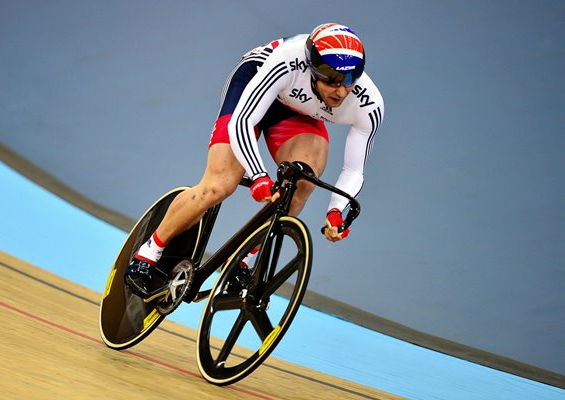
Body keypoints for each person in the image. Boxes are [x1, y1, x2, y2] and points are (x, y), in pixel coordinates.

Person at [125, 23, 384, 298]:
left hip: (298, 111)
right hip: (254, 83)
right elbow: (243, 121)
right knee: (220, 185)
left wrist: (336, 211)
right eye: (331, 79)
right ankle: (147, 253)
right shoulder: (287, 59)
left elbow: (354, 169)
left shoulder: (369, 104)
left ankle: (241, 260)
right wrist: (259, 176)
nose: (341, 91)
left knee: (301, 185)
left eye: (349, 79)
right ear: (311, 68)